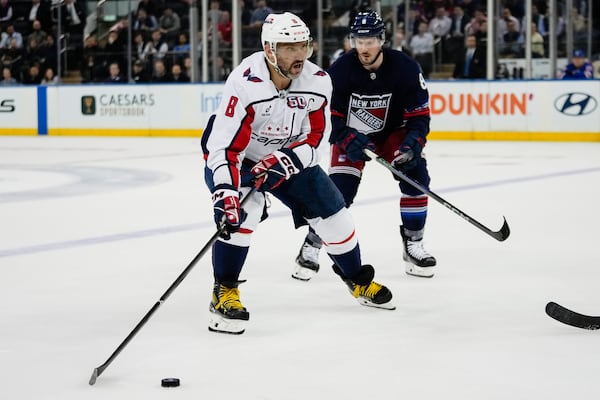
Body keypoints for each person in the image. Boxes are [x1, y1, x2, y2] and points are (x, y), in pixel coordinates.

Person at [202, 11, 395, 334]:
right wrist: (225, 192)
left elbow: (317, 136)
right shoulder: (244, 81)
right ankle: (224, 291)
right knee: (242, 212)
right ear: (269, 50)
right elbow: (224, 146)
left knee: (336, 216)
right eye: (288, 48)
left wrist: (288, 160)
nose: (298, 56)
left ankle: (357, 280)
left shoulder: (318, 81)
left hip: (291, 157)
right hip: (242, 158)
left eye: (302, 46)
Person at [294, 10, 437, 281]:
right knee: (337, 195)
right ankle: (312, 244)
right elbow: (327, 116)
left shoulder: (405, 68)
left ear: (382, 40)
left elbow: (419, 115)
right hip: (352, 137)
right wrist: (345, 137)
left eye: (370, 40)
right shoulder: (340, 71)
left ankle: (413, 244)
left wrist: (414, 143)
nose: (364, 47)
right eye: (358, 40)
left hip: (393, 133)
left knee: (416, 178)